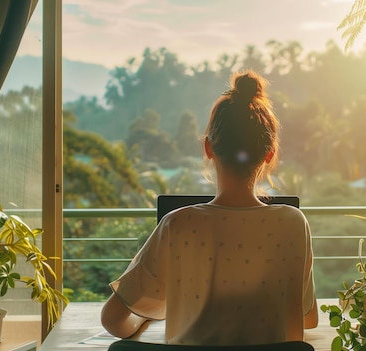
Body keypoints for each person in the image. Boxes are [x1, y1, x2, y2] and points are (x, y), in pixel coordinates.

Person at [100, 70, 318, 346]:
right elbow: (308, 319)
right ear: (269, 154)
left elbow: (112, 320)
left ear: (208, 148)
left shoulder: (178, 224)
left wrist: (145, 314)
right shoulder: (293, 223)